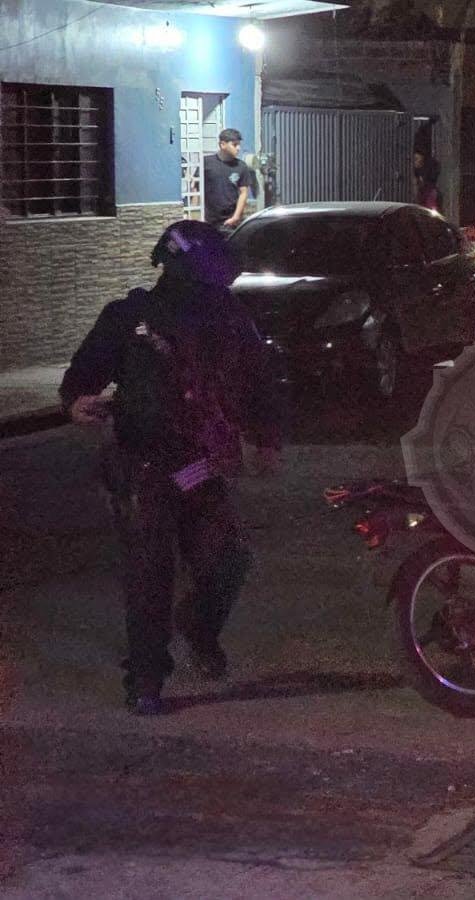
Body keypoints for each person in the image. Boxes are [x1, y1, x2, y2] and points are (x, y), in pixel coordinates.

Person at [59, 220, 286, 716]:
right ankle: (146, 678)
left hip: (202, 463)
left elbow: (259, 381)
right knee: (150, 573)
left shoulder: (230, 319)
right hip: (143, 463)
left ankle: (199, 628)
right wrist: (77, 402)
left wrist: (266, 438)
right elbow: (82, 375)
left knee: (227, 561)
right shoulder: (130, 317)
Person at [202, 128, 257, 232]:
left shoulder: (241, 166)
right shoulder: (206, 162)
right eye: (234, 145)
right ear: (223, 145)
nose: (238, 148)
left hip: (231, 220)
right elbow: (196, 188)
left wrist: (236, 217)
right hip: (209, 220)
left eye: (239, 144)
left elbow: (243, 193)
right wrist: (196, 216)